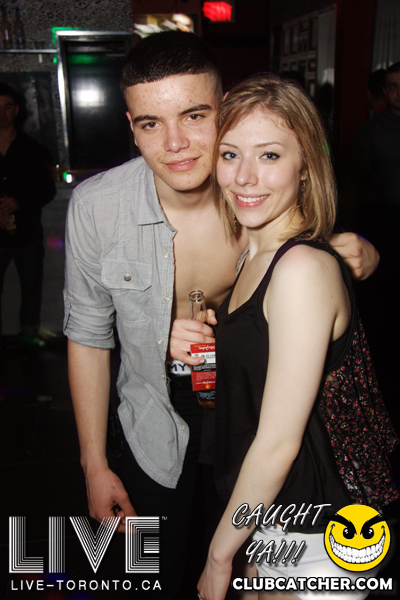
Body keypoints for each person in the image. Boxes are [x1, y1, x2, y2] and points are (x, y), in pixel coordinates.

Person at [63, 31, 380, 599]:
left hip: (249, 417)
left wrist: (361, 255)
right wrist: (94, 464)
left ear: (224, 108)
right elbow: (88, 335)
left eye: (194, 115)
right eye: (151, 123)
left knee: (240, 570)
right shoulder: (98, 207)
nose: (176, 144)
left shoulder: (251, 189)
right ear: (130, 126)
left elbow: (309, 263)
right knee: (142, 576)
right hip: (152, 417)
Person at [194, 73, 399, 600]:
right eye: (230, 154)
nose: (244, 177)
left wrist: (219, 556)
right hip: (269, 514)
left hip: (319, 530)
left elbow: (279, 443)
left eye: (269, 155)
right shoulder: (252, 253)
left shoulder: (301, 269)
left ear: (305, 164)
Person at [0, 82, 56, 344]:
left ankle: (29, 341)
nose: (2, 113)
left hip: (27, 233)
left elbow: (47, 191)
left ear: (16, 110)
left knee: (31, 290)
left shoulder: (32, 149)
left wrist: (19, 203)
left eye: (7, 107)